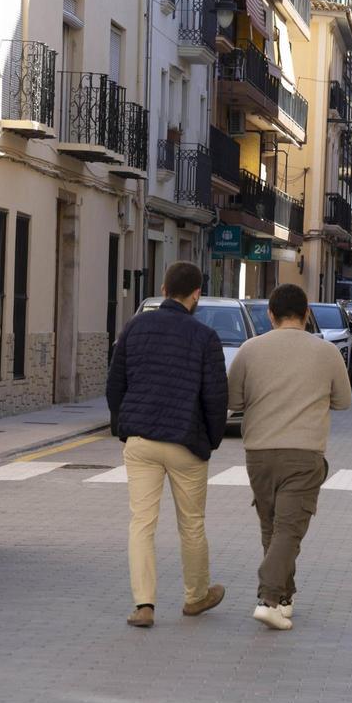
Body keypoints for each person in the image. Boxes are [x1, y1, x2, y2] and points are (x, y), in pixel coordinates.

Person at [106, 261, 229, 628]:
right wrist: (211, 439)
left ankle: (144, 605)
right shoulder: (205, 338)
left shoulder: (134, 327)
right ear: (195, 296)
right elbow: (215, 398)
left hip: (141, 440)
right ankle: (195, 597)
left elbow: (115, 384)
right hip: (186, 442)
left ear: (162, 289)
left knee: (141, 522)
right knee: (191, 524)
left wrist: (123, 427)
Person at [227, 283, 352, 630]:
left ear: (270, 314)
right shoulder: (326, 352)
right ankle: (268, 597)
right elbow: (344, 401)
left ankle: (285, 597)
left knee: (274, 527)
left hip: (259, 454)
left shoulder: (249, 350)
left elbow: (233, 401)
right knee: (288, 530)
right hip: (303, 453)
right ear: (307, 313)